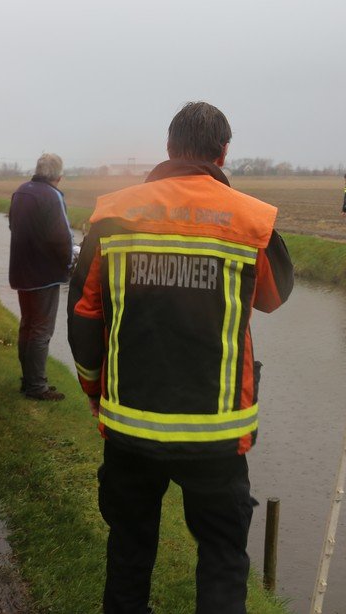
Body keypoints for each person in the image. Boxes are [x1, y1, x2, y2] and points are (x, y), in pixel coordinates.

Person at [68, 101, 294, 614]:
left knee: (129, 549)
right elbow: (274, 297)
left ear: (168, 149)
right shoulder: (250, 218)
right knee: (221, 556)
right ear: (223, 152)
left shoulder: (113, 212)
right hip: (216, 435)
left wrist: (93, 391)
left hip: (130, 426)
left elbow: (84, 315)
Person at [9, 153, 73, 402]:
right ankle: (37, 387)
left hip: (21, 270)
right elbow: (62, 237)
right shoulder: (52, 195)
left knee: (27, 325)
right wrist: (69, 265)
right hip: (44, 273)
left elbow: (13, 226)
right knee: (41, 330)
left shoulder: (21, 191)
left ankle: (28, 381)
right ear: (59, 176)